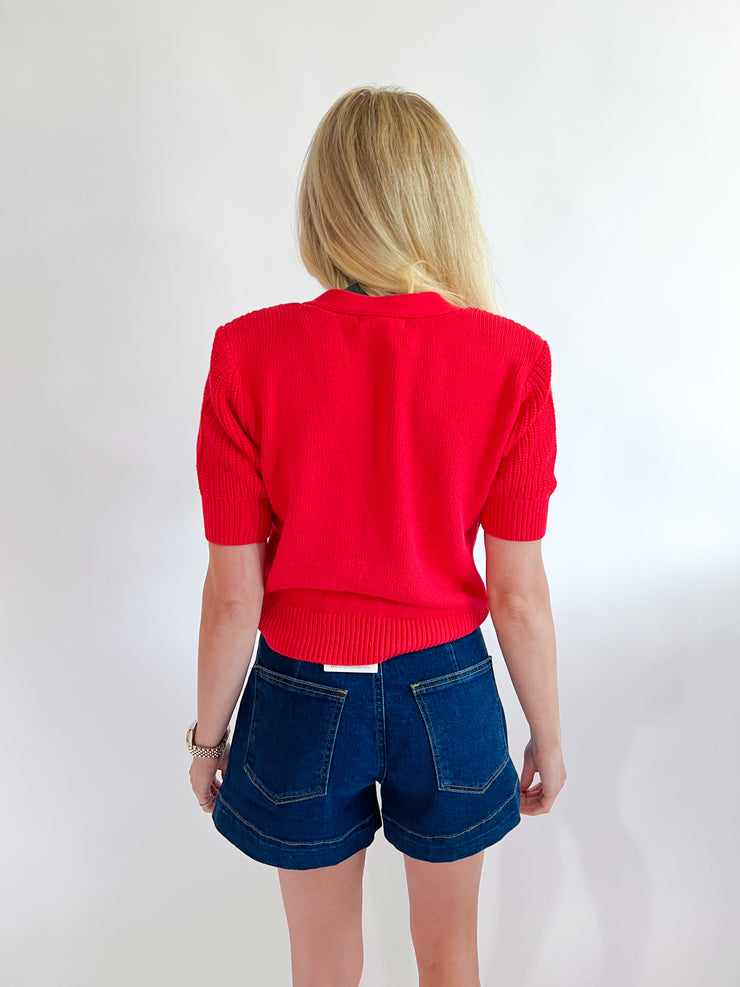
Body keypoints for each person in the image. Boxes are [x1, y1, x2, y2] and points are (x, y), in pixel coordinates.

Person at [187, 84, 566, 987]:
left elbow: (235, 591)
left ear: (324, 204)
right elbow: (516, 591)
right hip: (449, 687)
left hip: (300, 689)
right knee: (451, 957)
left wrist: (208, 739)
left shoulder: (247, 354)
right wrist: (547, 736)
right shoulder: (512, 359)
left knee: (321, 968)